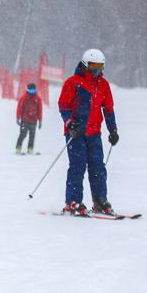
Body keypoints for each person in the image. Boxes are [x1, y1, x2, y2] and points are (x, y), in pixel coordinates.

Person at [58, 49, 118, 216]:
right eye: (93, 66)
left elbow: (108, 109)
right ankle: (73, 201)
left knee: (98, 166)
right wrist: (69, 123)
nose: (96, 70)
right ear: (85, 65)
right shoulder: (73, 83)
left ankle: (100, 201)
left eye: (99, 66)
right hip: (76, 132)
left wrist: (113, 130)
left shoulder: (103, 85)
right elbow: (63, 106)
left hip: (94, 133)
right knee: (78, 165)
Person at [15, 82, 43, 154]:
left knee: (32, 135)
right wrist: (18, 117)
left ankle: (30, 148)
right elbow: (19, 108)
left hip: (34, 120)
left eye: (33, 90)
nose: (32, 91)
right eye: (30, 90)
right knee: (23, 134)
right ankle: (18, 147)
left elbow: (40, 110)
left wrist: (40, 120)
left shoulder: (38, 99)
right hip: (25, 120)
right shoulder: (24, 98)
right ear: (27, 89)